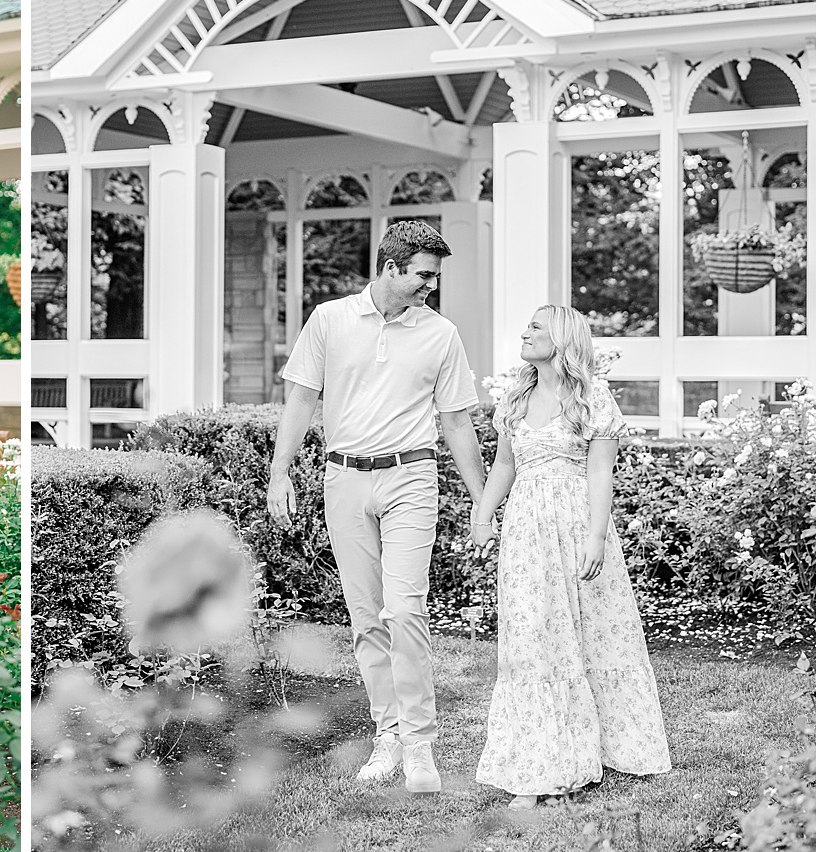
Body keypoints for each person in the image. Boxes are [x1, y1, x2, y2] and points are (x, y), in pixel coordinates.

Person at [267, 220, 487, 793]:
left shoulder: (441, 334)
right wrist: (279, 472)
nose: (430, 287)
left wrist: (483, 499)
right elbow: (301, 401)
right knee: (367, 618)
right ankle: (387, 732)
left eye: (434, 278)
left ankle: (419, 742)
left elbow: (457, 421)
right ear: (391, 268)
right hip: (344, 480)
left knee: (405, 609)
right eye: (423, 276)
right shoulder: (329, 320)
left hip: (412, 476)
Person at [470, 306, 671, 808]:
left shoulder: (592, 396)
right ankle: (541, 764)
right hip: (526, 531)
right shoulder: (514, 398)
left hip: (578, 522)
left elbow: (601, 473)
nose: (524, 331)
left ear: (560, 337)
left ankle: (611, 745)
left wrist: (597, 537)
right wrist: (482, 514)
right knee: (533, 634)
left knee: (596, 630)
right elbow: (504, 464)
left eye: (534, 326)